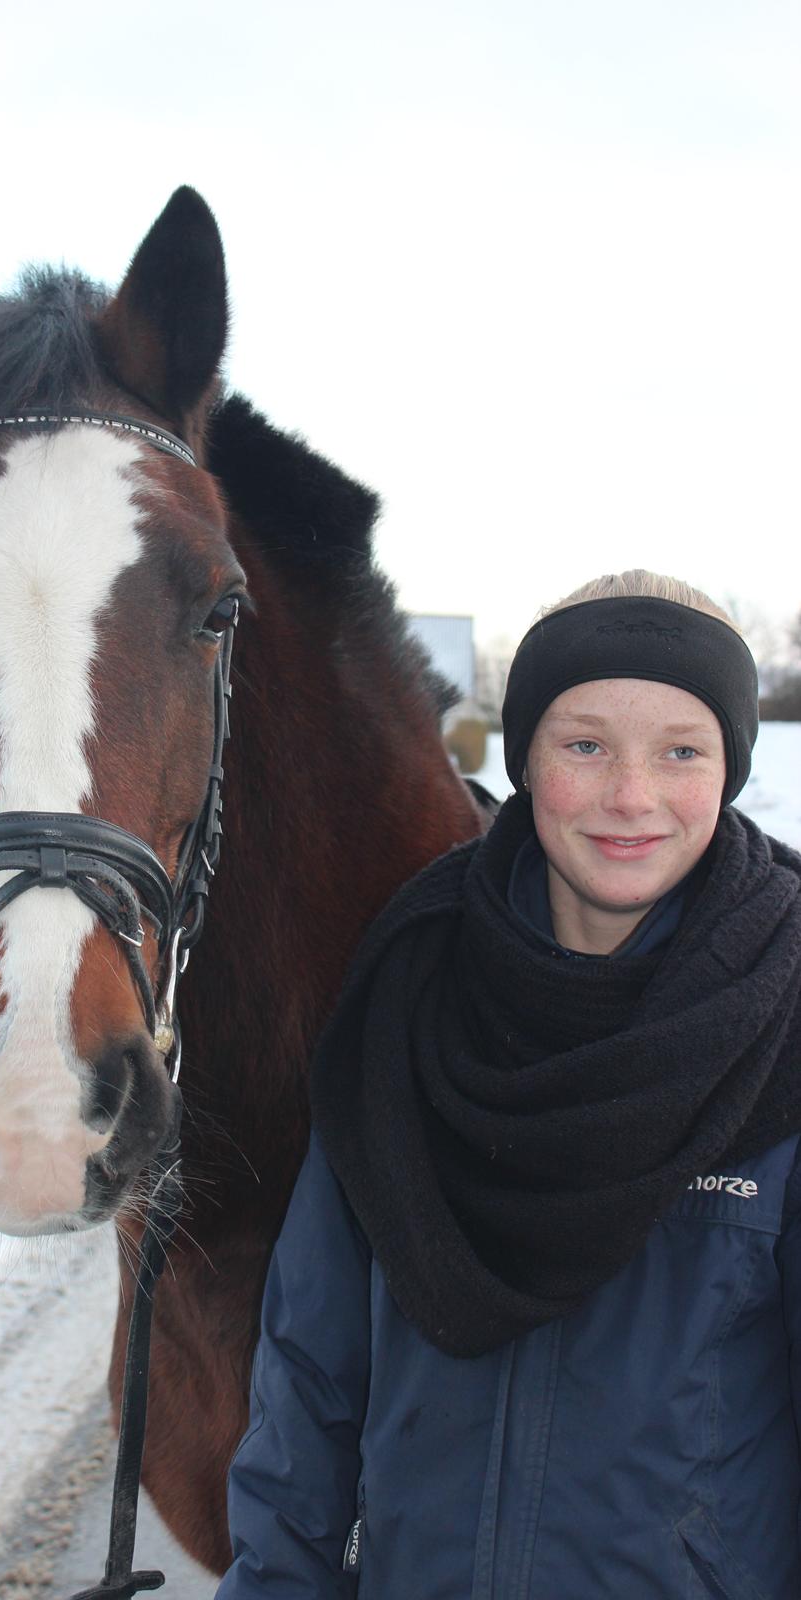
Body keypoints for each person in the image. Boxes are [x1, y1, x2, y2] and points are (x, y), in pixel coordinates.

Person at [214, 571, 801, 1599]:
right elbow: (309, 1380)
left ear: (729, 767)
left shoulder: (780, 1018)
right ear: (522, 757)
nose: (631, 796)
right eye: (584, 744)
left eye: (680, 749)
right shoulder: (403, 997)